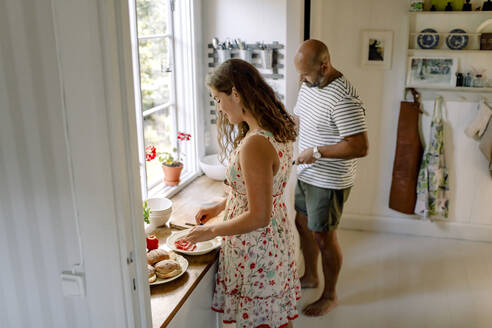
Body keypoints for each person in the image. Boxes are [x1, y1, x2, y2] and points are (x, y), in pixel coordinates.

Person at [180, 59, 301, 328]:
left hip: (255, 247)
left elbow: (258, 216)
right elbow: (258, 191)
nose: (219, 108)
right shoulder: (277, 127)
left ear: (235, 93)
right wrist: (218, 207)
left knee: (262, 323)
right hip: (272, 242)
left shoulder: (255, 144)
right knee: (273, 319)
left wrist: (211, 231)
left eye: (218, 99)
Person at [292, 39, 369, 316]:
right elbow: (300, 117)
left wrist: (317, 152)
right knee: (302, 224)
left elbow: (359, 146)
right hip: (306, 172)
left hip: (329, 180)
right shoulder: (309, 84)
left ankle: (330, 294)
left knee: (324, 237)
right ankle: (310, 276)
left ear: (324, 66)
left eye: (306, 73)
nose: (301, 79)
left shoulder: (343, 98)